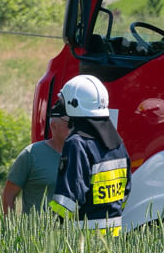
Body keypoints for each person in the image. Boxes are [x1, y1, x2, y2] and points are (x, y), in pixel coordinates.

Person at [49, 75, 131, 236]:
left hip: (82, 239)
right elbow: (125, 191)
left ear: (73, 104)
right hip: (113, 236)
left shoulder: (77, 143)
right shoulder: (117, 143)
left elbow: (68, 197)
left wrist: (51, 228)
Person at [2, 100, 70, 215]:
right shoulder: (31, 154)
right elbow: (9, 195)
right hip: (37, 232)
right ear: (54, 126)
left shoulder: (82, 155)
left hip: (74, 232)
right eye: (71, 124)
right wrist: (11, 228)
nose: (76, 129)